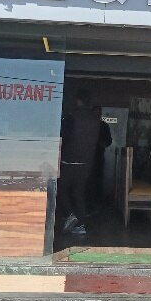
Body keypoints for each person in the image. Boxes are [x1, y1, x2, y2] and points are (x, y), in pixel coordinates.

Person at [59, 90, 103, 235]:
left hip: (69, 161)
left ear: (78, 101)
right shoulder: (96, 120)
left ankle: (71, 215)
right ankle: (81, 225)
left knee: (60, 189)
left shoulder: (71, 117)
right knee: (79, 193)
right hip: (86, 163)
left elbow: (63, 138)